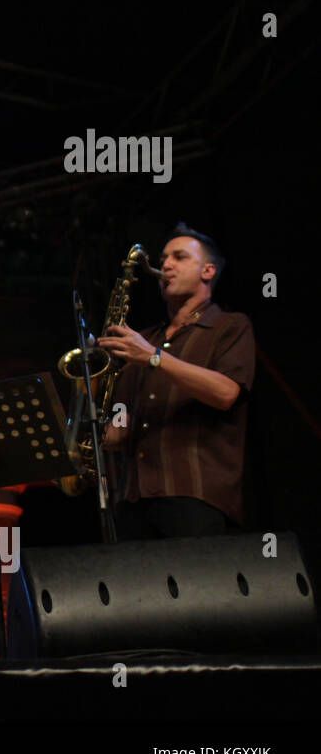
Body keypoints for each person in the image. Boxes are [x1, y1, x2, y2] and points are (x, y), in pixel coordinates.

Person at [99, 223, 254, 538]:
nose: (165, 265)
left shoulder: (229, 325)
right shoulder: (143, 339)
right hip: (131, 501)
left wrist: (154, 358)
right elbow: (120, 422)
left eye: (179, 257)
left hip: (194, 497)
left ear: (208, 271)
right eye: (164, 257)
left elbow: (226, 393)